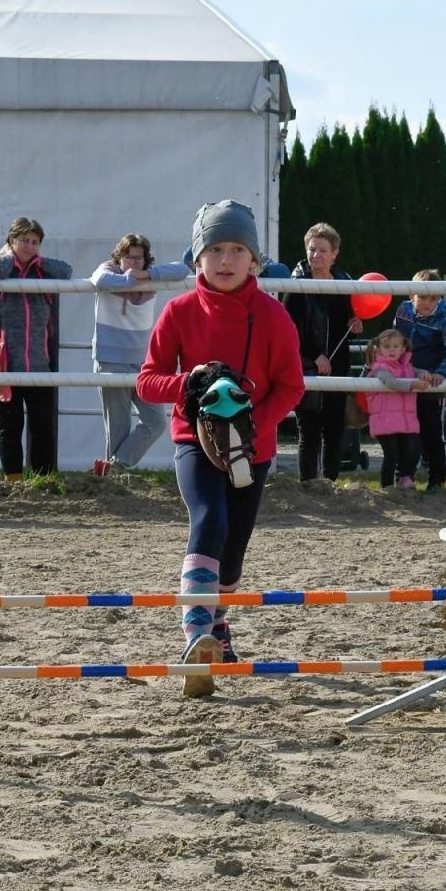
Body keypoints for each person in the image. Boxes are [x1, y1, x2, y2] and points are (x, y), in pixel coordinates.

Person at [137, 200, 305, 697]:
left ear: (254, 260)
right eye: (214, 249)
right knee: (210, 519)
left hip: (254, 449)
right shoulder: (179, 311)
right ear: (197, 259)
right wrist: (187, 382)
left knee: (233, 553)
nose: (226, 259)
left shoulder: (273, 316)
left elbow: (291, 387)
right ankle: (197, 637)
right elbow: (147, 383)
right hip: (194, 440)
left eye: (237, 249)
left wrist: (256, 427)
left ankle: (218, 626)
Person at [88, 234, 190, 475]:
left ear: (146, 259)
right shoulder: (109, 270)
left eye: (138, 258)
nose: (133, 263)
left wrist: (144, 276)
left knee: (156, 422)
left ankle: (114, 466)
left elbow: (181, 269)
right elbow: (99, 279)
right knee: (118, 426)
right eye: (128, 257)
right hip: (111, 359)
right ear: (119, 257)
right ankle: (113, 476)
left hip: (143, 362)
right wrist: (131, 279)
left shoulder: (149, 274)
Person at [0, 217, 72, 479]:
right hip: (5, 363)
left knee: (42, 425)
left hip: (39, 362)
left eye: (35, 242)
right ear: (11, 241)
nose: (30, 247)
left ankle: (41, 481)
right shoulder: (3, 267)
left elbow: (66, 271)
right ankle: (14, 481)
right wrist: (10, 256)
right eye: (24, 240)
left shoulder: (42, 270)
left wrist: (37, 262)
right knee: (10, 426)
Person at [283, 223, 362, 481]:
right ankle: (307, 484)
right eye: (312, 249)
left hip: (338, 363)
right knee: (309, 429)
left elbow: (347, 320)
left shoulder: (345, 282)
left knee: (335, 428)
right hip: (306, 364)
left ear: (335, 253)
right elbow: (289, 329)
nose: (316, 255)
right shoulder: (295, 285)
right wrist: (314, 355)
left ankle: (330, 483)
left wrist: (355, 324)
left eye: (322, 250)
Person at [393, 270, 446, 491]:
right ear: (412, 294)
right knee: (403, 429)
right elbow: (395, 343)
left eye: (433, 298)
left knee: (431, 430)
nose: (428, 303)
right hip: (405, 378)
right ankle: (404, 476)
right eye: (423, 297)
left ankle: (437, 479)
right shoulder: (403, 311)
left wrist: (441, 372)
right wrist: (403, 368)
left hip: (430, 381)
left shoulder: (445, 317)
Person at [363, 328, 430, 488]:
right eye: (387, 346)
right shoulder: (380, 368)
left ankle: (405, 478)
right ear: (379, 350)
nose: (392, 350)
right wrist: (413, 384)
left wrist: (424, 375)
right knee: (391, 455)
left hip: (406, 420)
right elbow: (392, 382)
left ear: (403, 349)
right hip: (385, 420)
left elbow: (416, 372)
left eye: (395, 346)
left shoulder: (408, 368)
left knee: (413, 450)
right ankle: (386, 486)